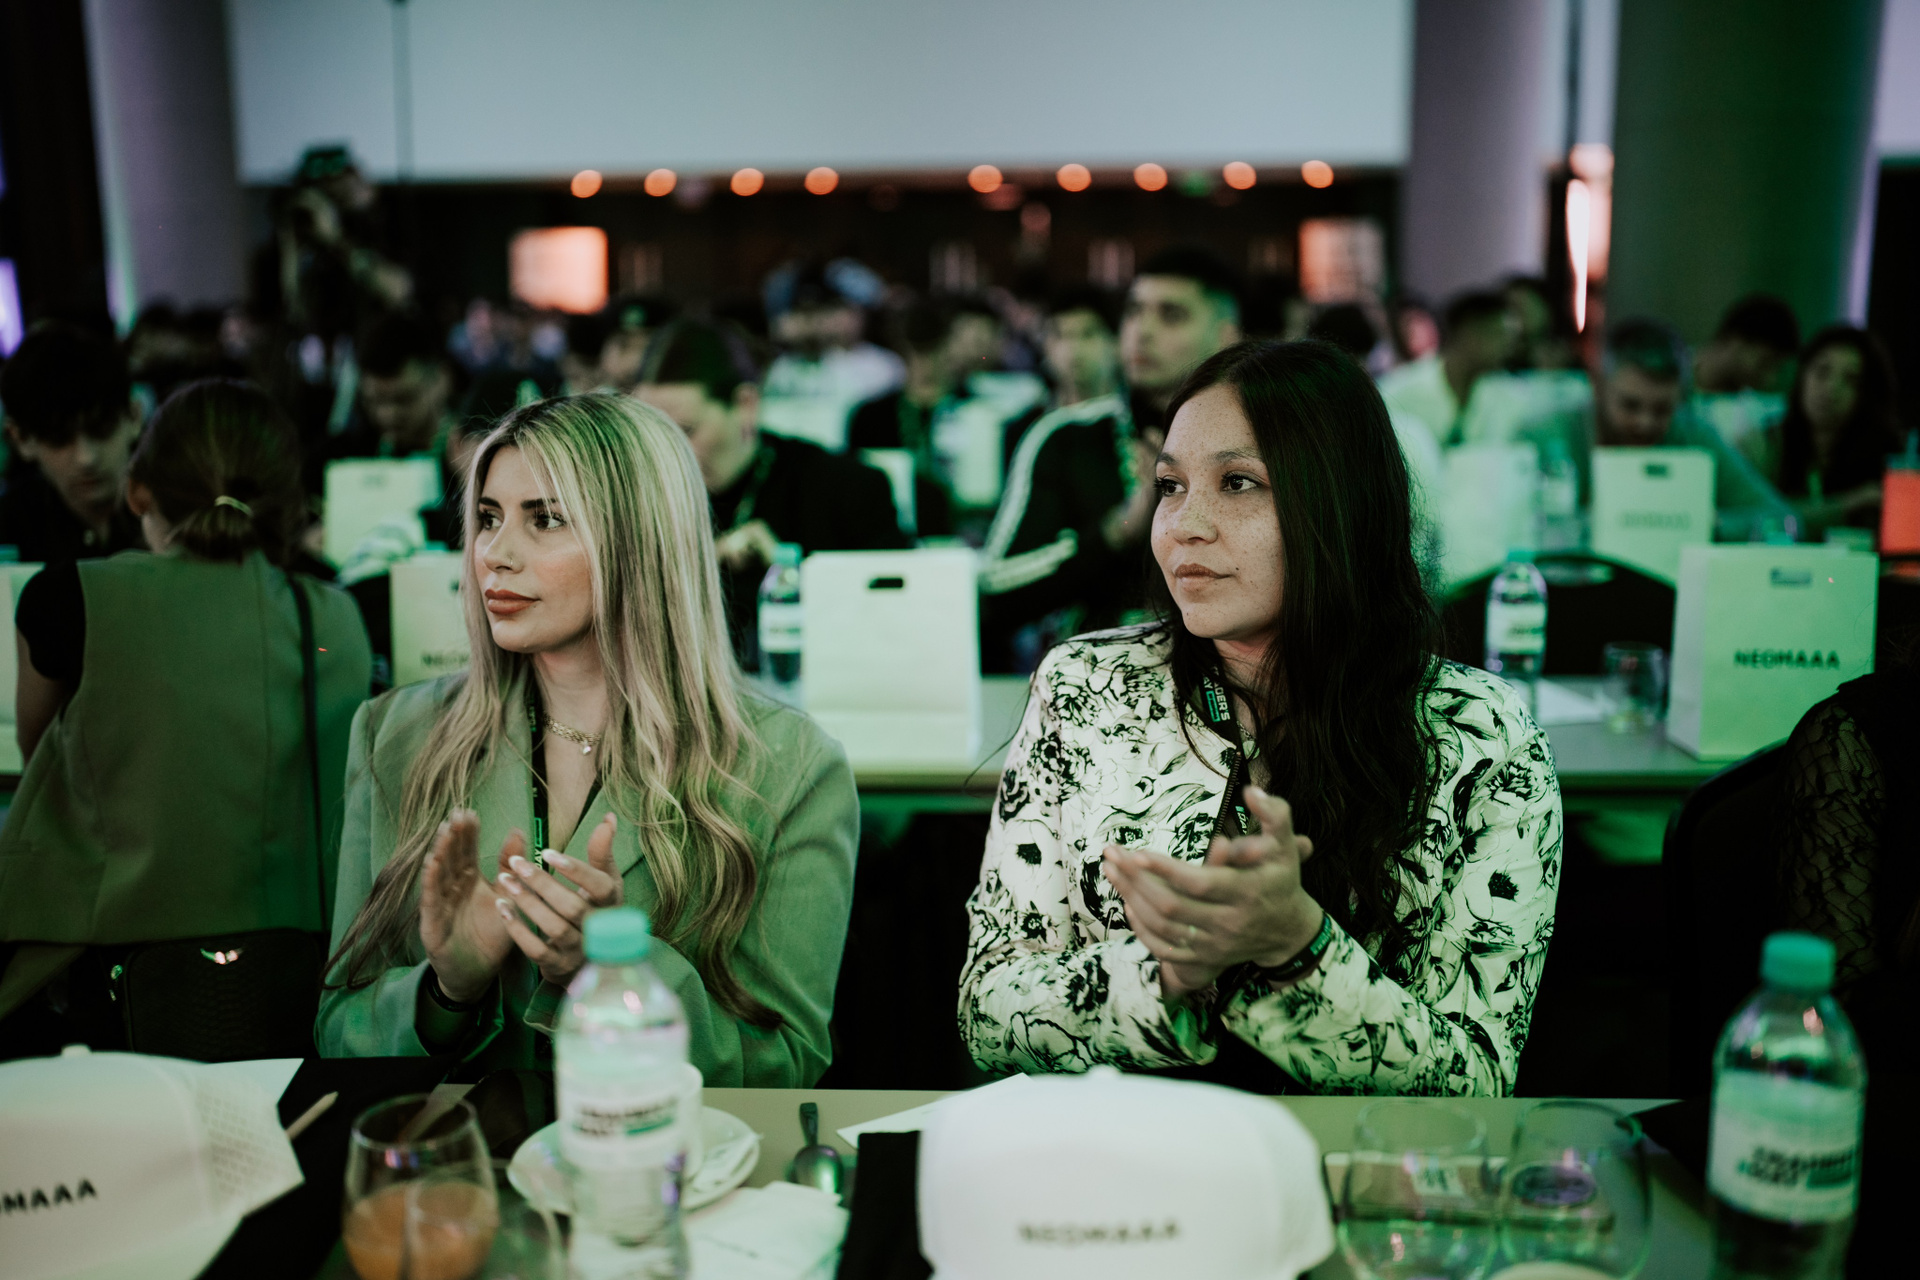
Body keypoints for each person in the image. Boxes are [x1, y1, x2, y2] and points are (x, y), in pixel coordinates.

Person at [961, 341, 1562, 1094]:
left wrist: (1298, 946)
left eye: (1239, 482)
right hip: (1124, 1147)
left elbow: (1474, 1082)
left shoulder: (1481, 735)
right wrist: (1166, 974)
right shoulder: (1089, 686)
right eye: (1170, 486)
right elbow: (988, 1013)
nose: (1183, 525)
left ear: (1340, 505)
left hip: (1353, 1159)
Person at [315, 394, 857, 1085]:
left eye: (545, 519)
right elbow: (339, 1031)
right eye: (488, 518)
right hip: (464, 1151)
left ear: (642, 542)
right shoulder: (396, 735)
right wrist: (447, 992)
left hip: (666, 1148)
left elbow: (784, 1067)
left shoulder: (790, 767)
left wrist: (615, 974)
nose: (494, 555)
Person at [0, 380, 372, 1055]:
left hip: (105, 977)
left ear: (139, 492)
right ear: (291, 504)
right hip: (296, 983)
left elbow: (38, 761)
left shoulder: (69, 598)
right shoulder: (335, 616)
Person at [978, 259, 1238, 671]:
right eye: (1134, 312)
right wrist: (1120, 528)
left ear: (1226, 335)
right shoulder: (1069, 436)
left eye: (1171, 315)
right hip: (1097, 680)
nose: (1142, 331)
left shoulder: (1259, 438)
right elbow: (996, 590)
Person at [632, 319, 906, 664]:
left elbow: (898, 615)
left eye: (685, 431)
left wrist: (791, 573)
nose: (664, 453)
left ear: (746, 404)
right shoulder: (635, 494)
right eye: (651, 435)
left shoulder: (843, 486)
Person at [0, 322, 146, 563]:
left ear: (134, 417)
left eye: (102, 430)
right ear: (21, 439)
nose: (86, 458)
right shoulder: (9, 527)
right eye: (59, 439)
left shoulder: (182, 511)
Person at [1749, 326, 1901, 537]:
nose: (1831, 388)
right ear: (1803, 375)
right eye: (1822, 372)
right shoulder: (1764, 444)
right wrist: (1849, 503)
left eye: (1851, 380)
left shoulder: (1887, 457)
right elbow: (1750, 517)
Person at [759, 260, 904, 451]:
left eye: (842, 308)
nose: (818, 320)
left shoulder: (884, 365)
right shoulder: (781, 367)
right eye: (803, 312)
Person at [1377, 290, 1518, 447]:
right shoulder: (1400, 390)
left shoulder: (1504, 395)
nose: (1508, 347)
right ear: (1468, 333)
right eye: (1498, 335)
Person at [331, 313, 460, 462]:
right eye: (375, 401)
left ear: (442, 381)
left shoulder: (471, 457)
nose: (387, 414)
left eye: (403, 399)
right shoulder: (350, 453)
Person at [1693, 294, 1801, 395]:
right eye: (1764, 364)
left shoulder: (1744, 403)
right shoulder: (1685, 383)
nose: (1770, 380)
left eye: (1777, 369)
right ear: (1736, 341)